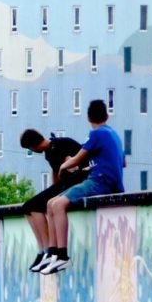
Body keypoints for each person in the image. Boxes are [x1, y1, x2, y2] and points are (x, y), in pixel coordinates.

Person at [38, 99, 125, 275]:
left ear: (88, 118)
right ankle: (53, 254)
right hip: (109, 180)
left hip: (100, 182)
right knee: (50, 204)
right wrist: (95, 164)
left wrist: (62, 167)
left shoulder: (96, 134)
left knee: (57, 205)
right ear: (107, 115)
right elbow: (123, 163)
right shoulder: (114, 134)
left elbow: (77, 157)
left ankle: (62, 256)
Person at [18, 128, 88, 272]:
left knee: (36, 207)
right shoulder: (49, 151)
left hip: (75, 182)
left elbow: (74, 164)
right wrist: (52, 188)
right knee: (27, 207)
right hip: (63, 184)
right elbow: (56, 173)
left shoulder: (59, 145)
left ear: (32, 146)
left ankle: (50, 250)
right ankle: (43, 250)